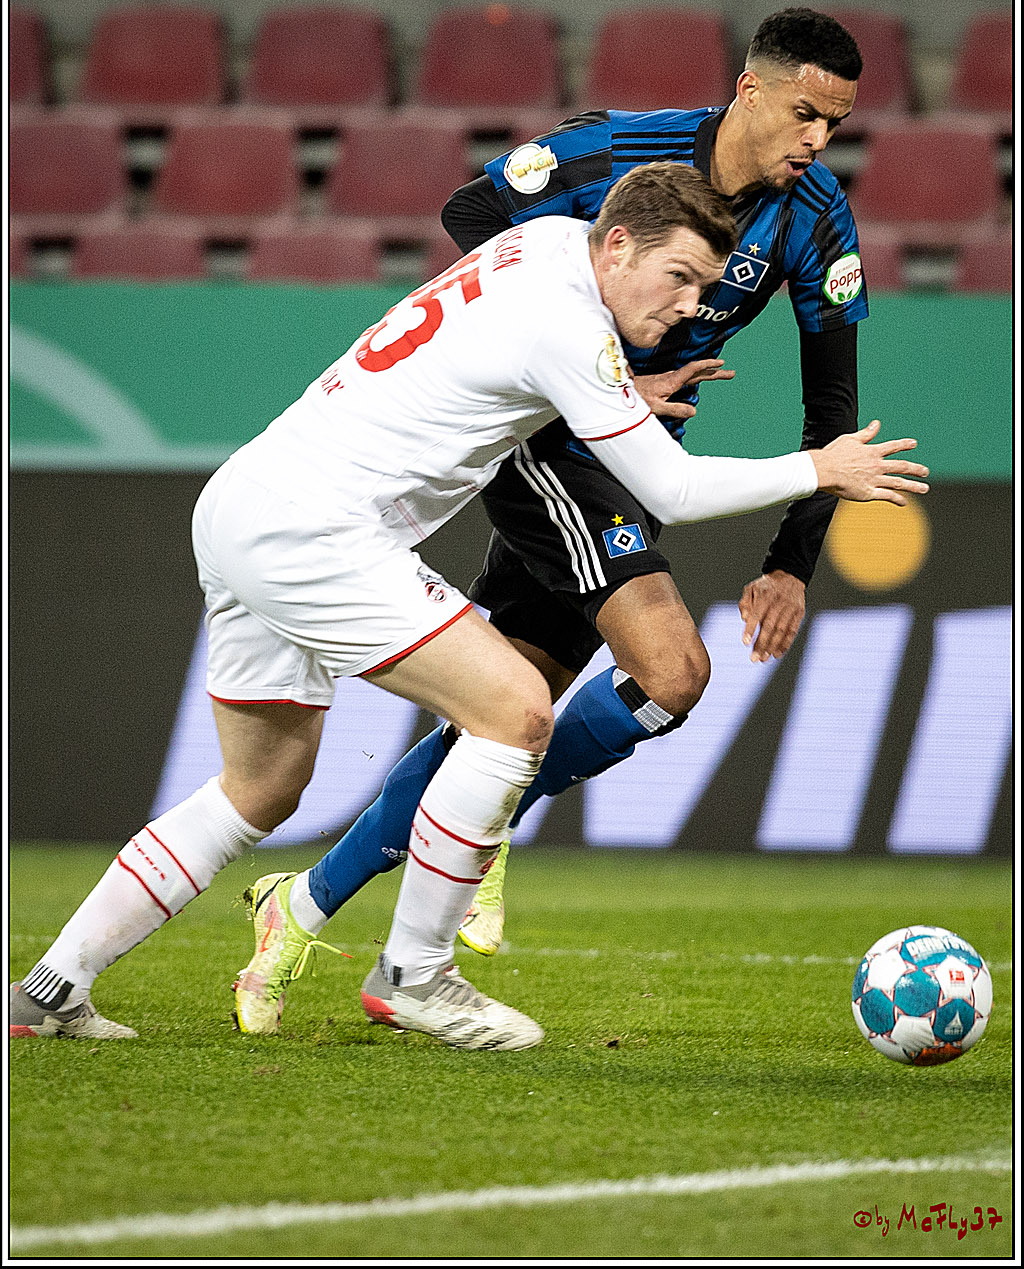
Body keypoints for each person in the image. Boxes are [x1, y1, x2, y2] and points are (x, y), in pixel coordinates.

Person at [10, 162, 927, 1051]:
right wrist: (823, 467)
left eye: (704, 286)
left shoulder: (539, 247)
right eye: (680, 277)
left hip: (246, 503)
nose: (691, 306)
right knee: (516, 713)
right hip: (317, 531)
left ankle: (52, 986)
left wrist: (613, 391)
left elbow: (507, 362)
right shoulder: (568, 325)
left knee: (261, 788)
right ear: (617, 244)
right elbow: (674, 489)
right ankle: (414, 975)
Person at [229, 7, 882, 1035]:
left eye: (835, 124)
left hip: (617, 454)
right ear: (749, 89)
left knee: (509, 707)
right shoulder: (624, 148)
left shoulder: (816, 218)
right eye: (803, 113)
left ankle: (302, 902)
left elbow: (832, 406)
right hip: (551, 444)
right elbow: (470, 209)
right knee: (670, 673)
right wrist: (592, 367)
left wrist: (791, 562)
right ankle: (445, 892)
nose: (816, 140)